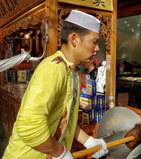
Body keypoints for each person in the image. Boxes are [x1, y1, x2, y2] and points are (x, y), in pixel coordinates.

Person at [3, 10, 108, 159]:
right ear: (74, 39)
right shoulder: (53, 68)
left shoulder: (73, 72)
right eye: (94, 42)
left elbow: (66, 119)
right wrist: (60, 153)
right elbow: (29, 126)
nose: (97, 48)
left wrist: (89, 141)